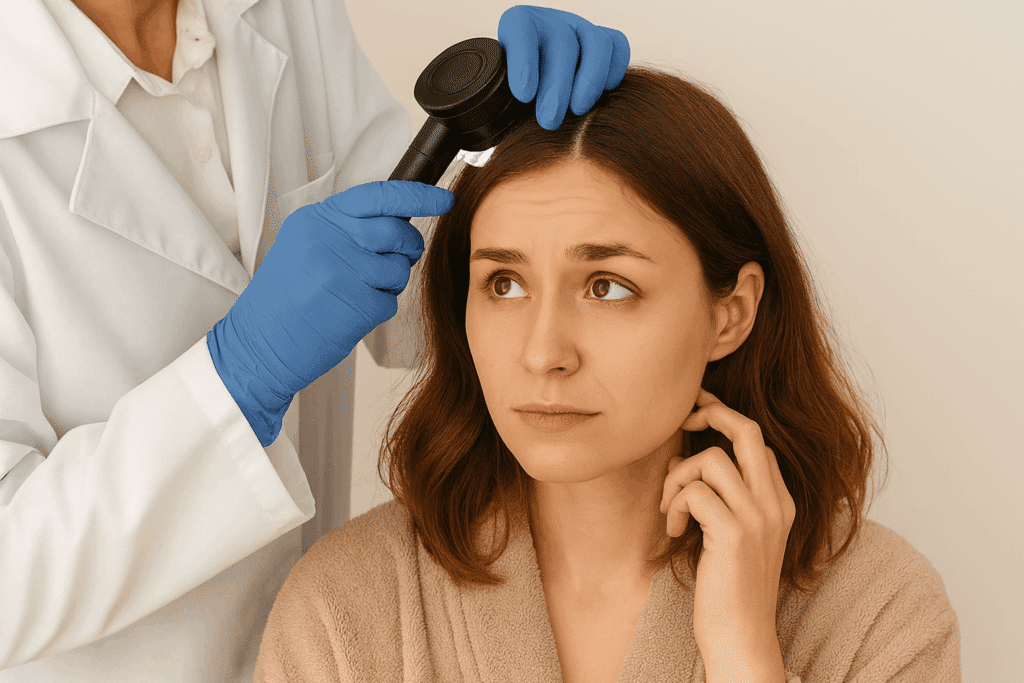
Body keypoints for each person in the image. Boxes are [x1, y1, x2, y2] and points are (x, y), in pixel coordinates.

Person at [253, 67, 962, 682]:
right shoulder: (344, 606)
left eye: (607, 287)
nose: (543, 354)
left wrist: (744, 652)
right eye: (503, 283)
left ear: (731, 313)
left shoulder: (880, 613)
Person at [0, 0, 630, 679]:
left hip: (327, 647)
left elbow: (421, 279)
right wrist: (238, 377)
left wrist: (510, 144)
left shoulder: (287, 11)